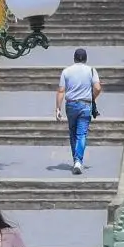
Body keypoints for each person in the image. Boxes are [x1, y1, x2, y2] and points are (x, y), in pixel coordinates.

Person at [54, 47, 101, 175]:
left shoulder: (66, 71)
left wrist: (58, 108)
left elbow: (61, 91)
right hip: (85, 105)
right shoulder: (91, 70)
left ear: (74, 58)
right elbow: (97, 87)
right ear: (86, 59)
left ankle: (76, 160)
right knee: (82, 134)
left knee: (73, 132)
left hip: (71, 105)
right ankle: (78, 161)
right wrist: (92, 97)